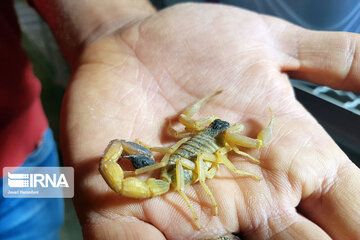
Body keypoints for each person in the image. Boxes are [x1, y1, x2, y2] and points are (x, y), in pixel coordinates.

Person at [3, 0, 360, 239]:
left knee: (42, 218)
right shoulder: (219, 144)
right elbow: (240, 153)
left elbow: (191, 134)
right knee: (78, 197)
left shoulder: (209, 134)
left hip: (20, 165)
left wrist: (117, 26)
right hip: (170, 169)